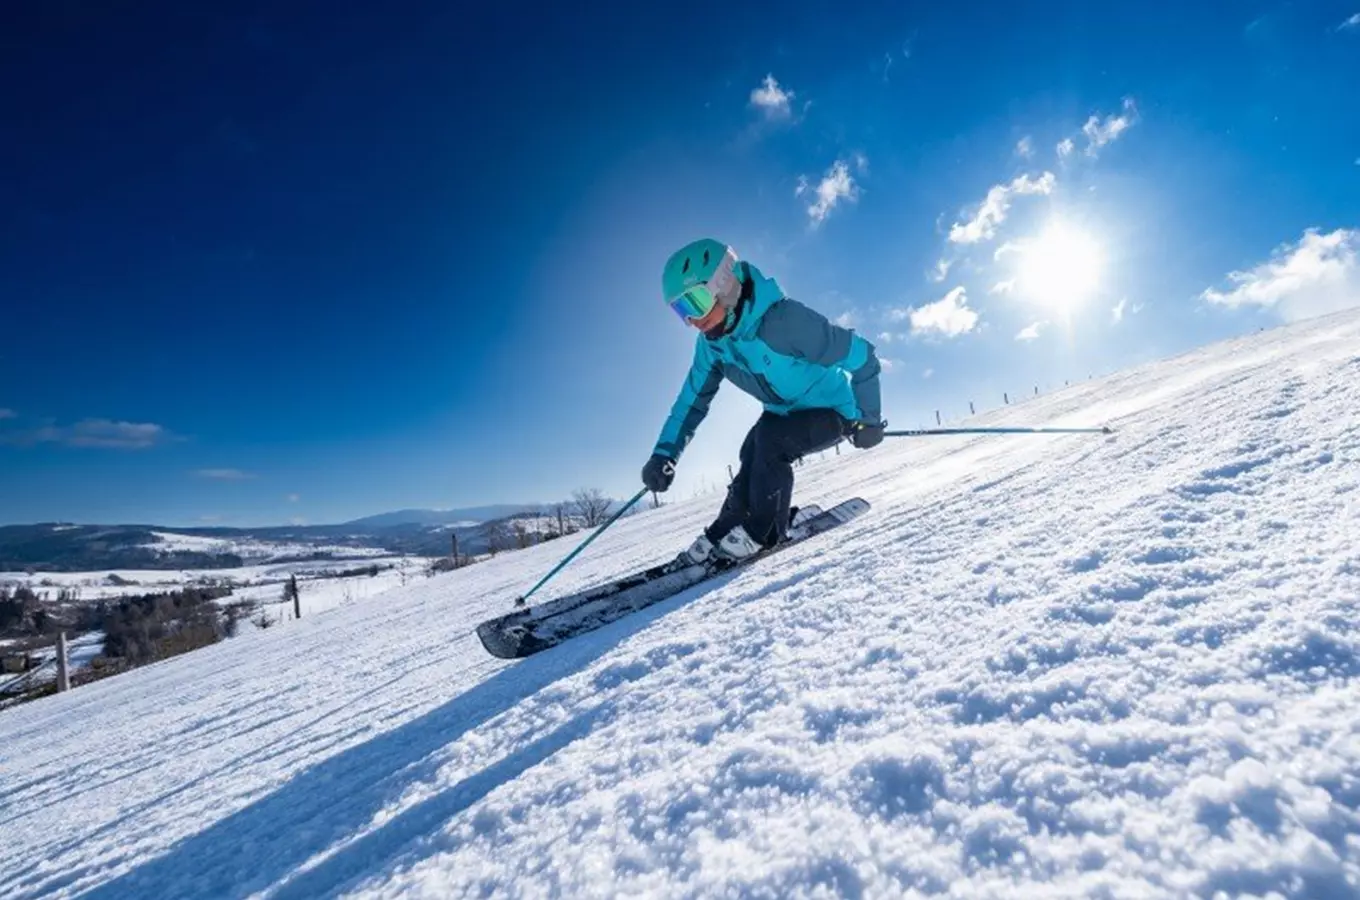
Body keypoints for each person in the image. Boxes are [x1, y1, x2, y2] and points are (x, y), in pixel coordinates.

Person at [641, 238, 885, 565]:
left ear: (725, 285)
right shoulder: (712, 346)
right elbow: (690, 403)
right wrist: (664, 454)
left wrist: (868, 419)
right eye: (681, 311)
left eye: (695, 302)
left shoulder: (785, 322)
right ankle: (722, 530)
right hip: (782, 414)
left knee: (771, 443)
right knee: (752, 450)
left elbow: (863, 358)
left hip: (835, 412)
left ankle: (765, 532)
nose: (693, 321)